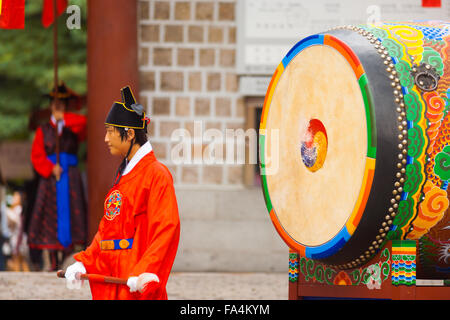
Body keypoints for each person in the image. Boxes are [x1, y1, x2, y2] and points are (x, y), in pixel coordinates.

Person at [64, 86, 180, 300]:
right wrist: (84, 260)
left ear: (129, 133)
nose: (106, 139)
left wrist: (146, 270)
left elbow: (166, 229)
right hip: (112, 272)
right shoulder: (124, 174)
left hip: (135, 277)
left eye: (110, 131)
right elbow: (107, 230)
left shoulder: (156, 174)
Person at [28, 83, 88, 271]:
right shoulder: (43, 130)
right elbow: (36, 155)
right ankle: (53, 258)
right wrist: (49, 167)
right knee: (50, 216)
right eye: (55, 102)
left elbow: (84, 124)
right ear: (51, 105)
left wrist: (64, 118)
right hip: (51, 179)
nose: (58, 106)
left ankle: (67, 255)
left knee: (72, 212)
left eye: (61, 102)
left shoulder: (73, 125)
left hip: (70, 177)